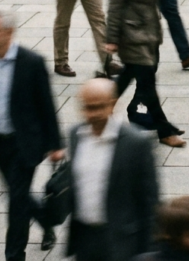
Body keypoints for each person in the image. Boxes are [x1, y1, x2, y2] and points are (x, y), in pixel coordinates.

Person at [0, 7, 64, 259]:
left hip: (26, 143)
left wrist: (56, 144)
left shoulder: (31, 62)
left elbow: (46, 105)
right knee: (18, 195)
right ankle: (47, 222)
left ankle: (14, 255)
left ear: (8, 32)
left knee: (16, 203)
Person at [64, 78, 159, 261]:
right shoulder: (75, 135)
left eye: (97, 107)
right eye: (86, 107)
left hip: (120, 243)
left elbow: (150, 203)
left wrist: (149, 252)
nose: (91, 115)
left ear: (112, 104)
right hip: (84, 240)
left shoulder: (135, 143)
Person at [106, 0, 184, 146]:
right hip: (130, 35)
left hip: (150, 33)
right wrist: (111, 38)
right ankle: (165, 131)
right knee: (148, 84)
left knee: (128, 76)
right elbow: (115, 4)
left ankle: (105, 105)